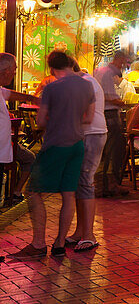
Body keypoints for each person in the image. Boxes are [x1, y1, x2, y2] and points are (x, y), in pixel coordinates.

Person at [16, 50, 95, 259]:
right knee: (68, 194)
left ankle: (38, 243)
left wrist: (55, 117)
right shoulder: (87, 85)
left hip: (55, 144)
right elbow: (89, 118)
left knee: (32, 191)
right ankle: (59, 243)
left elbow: (40, 122)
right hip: (77, 144)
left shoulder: (51, 88)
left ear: (51, 67)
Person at [71, 60, 106, 251]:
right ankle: (80, 231)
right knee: (79, 183)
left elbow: (85, 114)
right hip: (87, 133)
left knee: (85, 182)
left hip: (92, 133)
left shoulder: (86, 83)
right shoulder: (83, 81)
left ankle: (89, 235)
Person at [0, 53, 38, 204]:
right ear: (6, 70)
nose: (15, 73)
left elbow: (8, 94)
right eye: (15, 69)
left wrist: (31, 98)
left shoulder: (1, 90)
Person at [94, 50, 129, 196]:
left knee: (105, 152)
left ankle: (103, 185)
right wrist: (121, 103)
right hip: (110, 115)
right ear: (119, 59)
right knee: (113, 151)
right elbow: (107, 96)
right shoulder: (107, 73)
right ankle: (109, 185)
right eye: (123, 63)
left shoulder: (99, 71)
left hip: (103, 114)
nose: (123, 67)